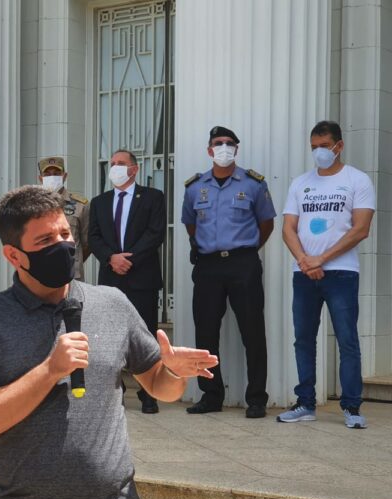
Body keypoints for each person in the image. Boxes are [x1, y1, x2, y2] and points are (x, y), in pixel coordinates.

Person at [0, 185, 217, 499]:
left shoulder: (112, 302)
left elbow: (159, 386)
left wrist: (175, 371)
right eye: (45, 240)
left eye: (65, 234)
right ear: (14, 255)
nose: (62, 245)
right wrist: (49, 371)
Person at [278, 120, 375, 429]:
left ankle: (352, 408)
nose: (319, 152)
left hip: (341, 273)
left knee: (347, 340)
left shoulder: (357, 181)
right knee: (303, 340)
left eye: (324, 146)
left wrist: (321, 258)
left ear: (339, 146)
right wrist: (305, 260)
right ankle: (305, 403)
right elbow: (288, 228)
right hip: (304, 273)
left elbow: (361, 229)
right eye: (314, 148)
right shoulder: (300, 183)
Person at [181, 126, 276, 418]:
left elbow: (267, 223)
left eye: (229, 143)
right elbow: (191, 224)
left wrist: (246, 250)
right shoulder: (195, 187)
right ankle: (211, 395)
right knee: (206, 332)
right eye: (218, 143)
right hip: (208, 265)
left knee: (252, 331)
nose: (223, 147)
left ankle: (257, 398)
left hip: (243, 264)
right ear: (210, 150)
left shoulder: (253, 184)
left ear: (236, 149)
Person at [89, 149, 165, 414]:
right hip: (111, 278)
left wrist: (128, 259)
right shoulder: (99, 202)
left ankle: (149, 393)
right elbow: (94, 237)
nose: (115, 168)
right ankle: (115, 392)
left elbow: (155, 233)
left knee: (146, 336)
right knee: (110, 336)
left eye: (120, 164)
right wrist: (111, 258)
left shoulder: (153, 197)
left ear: (134, 169)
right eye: (112, 164)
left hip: (141, 276)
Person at [38, 156, 90, 280]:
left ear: (64, 176)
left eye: (57, 173)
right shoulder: (31, 205)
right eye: (47, 174)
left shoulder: (80, 205)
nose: (52, 177)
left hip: (71, 274)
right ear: (40, 178)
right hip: (40, 273)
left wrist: (74, 260)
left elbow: (87, 244)